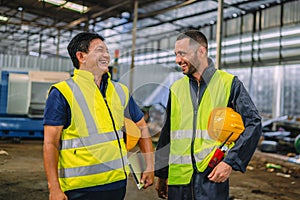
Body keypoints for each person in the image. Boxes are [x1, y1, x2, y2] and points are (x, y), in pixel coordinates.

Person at [43, 32, 154, 200]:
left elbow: (142, 127)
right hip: (80, 188)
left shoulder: (120, 91)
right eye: (100, 50)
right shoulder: (62, 92)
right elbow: (50, 143)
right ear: (81, 56)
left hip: (117, 184)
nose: (106, 55)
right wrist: (54, 188)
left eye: (107, 51)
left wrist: (150, 166)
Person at [154, 30, 262, 199]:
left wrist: (230, 162)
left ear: (201, 51)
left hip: (210, 179)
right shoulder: (176, 88)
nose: (177, 60)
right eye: (176, 54)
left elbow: (253, 124)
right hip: (178, 180)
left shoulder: (228, 83)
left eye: (182, 54)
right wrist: (161, 174)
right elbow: (167, 132)